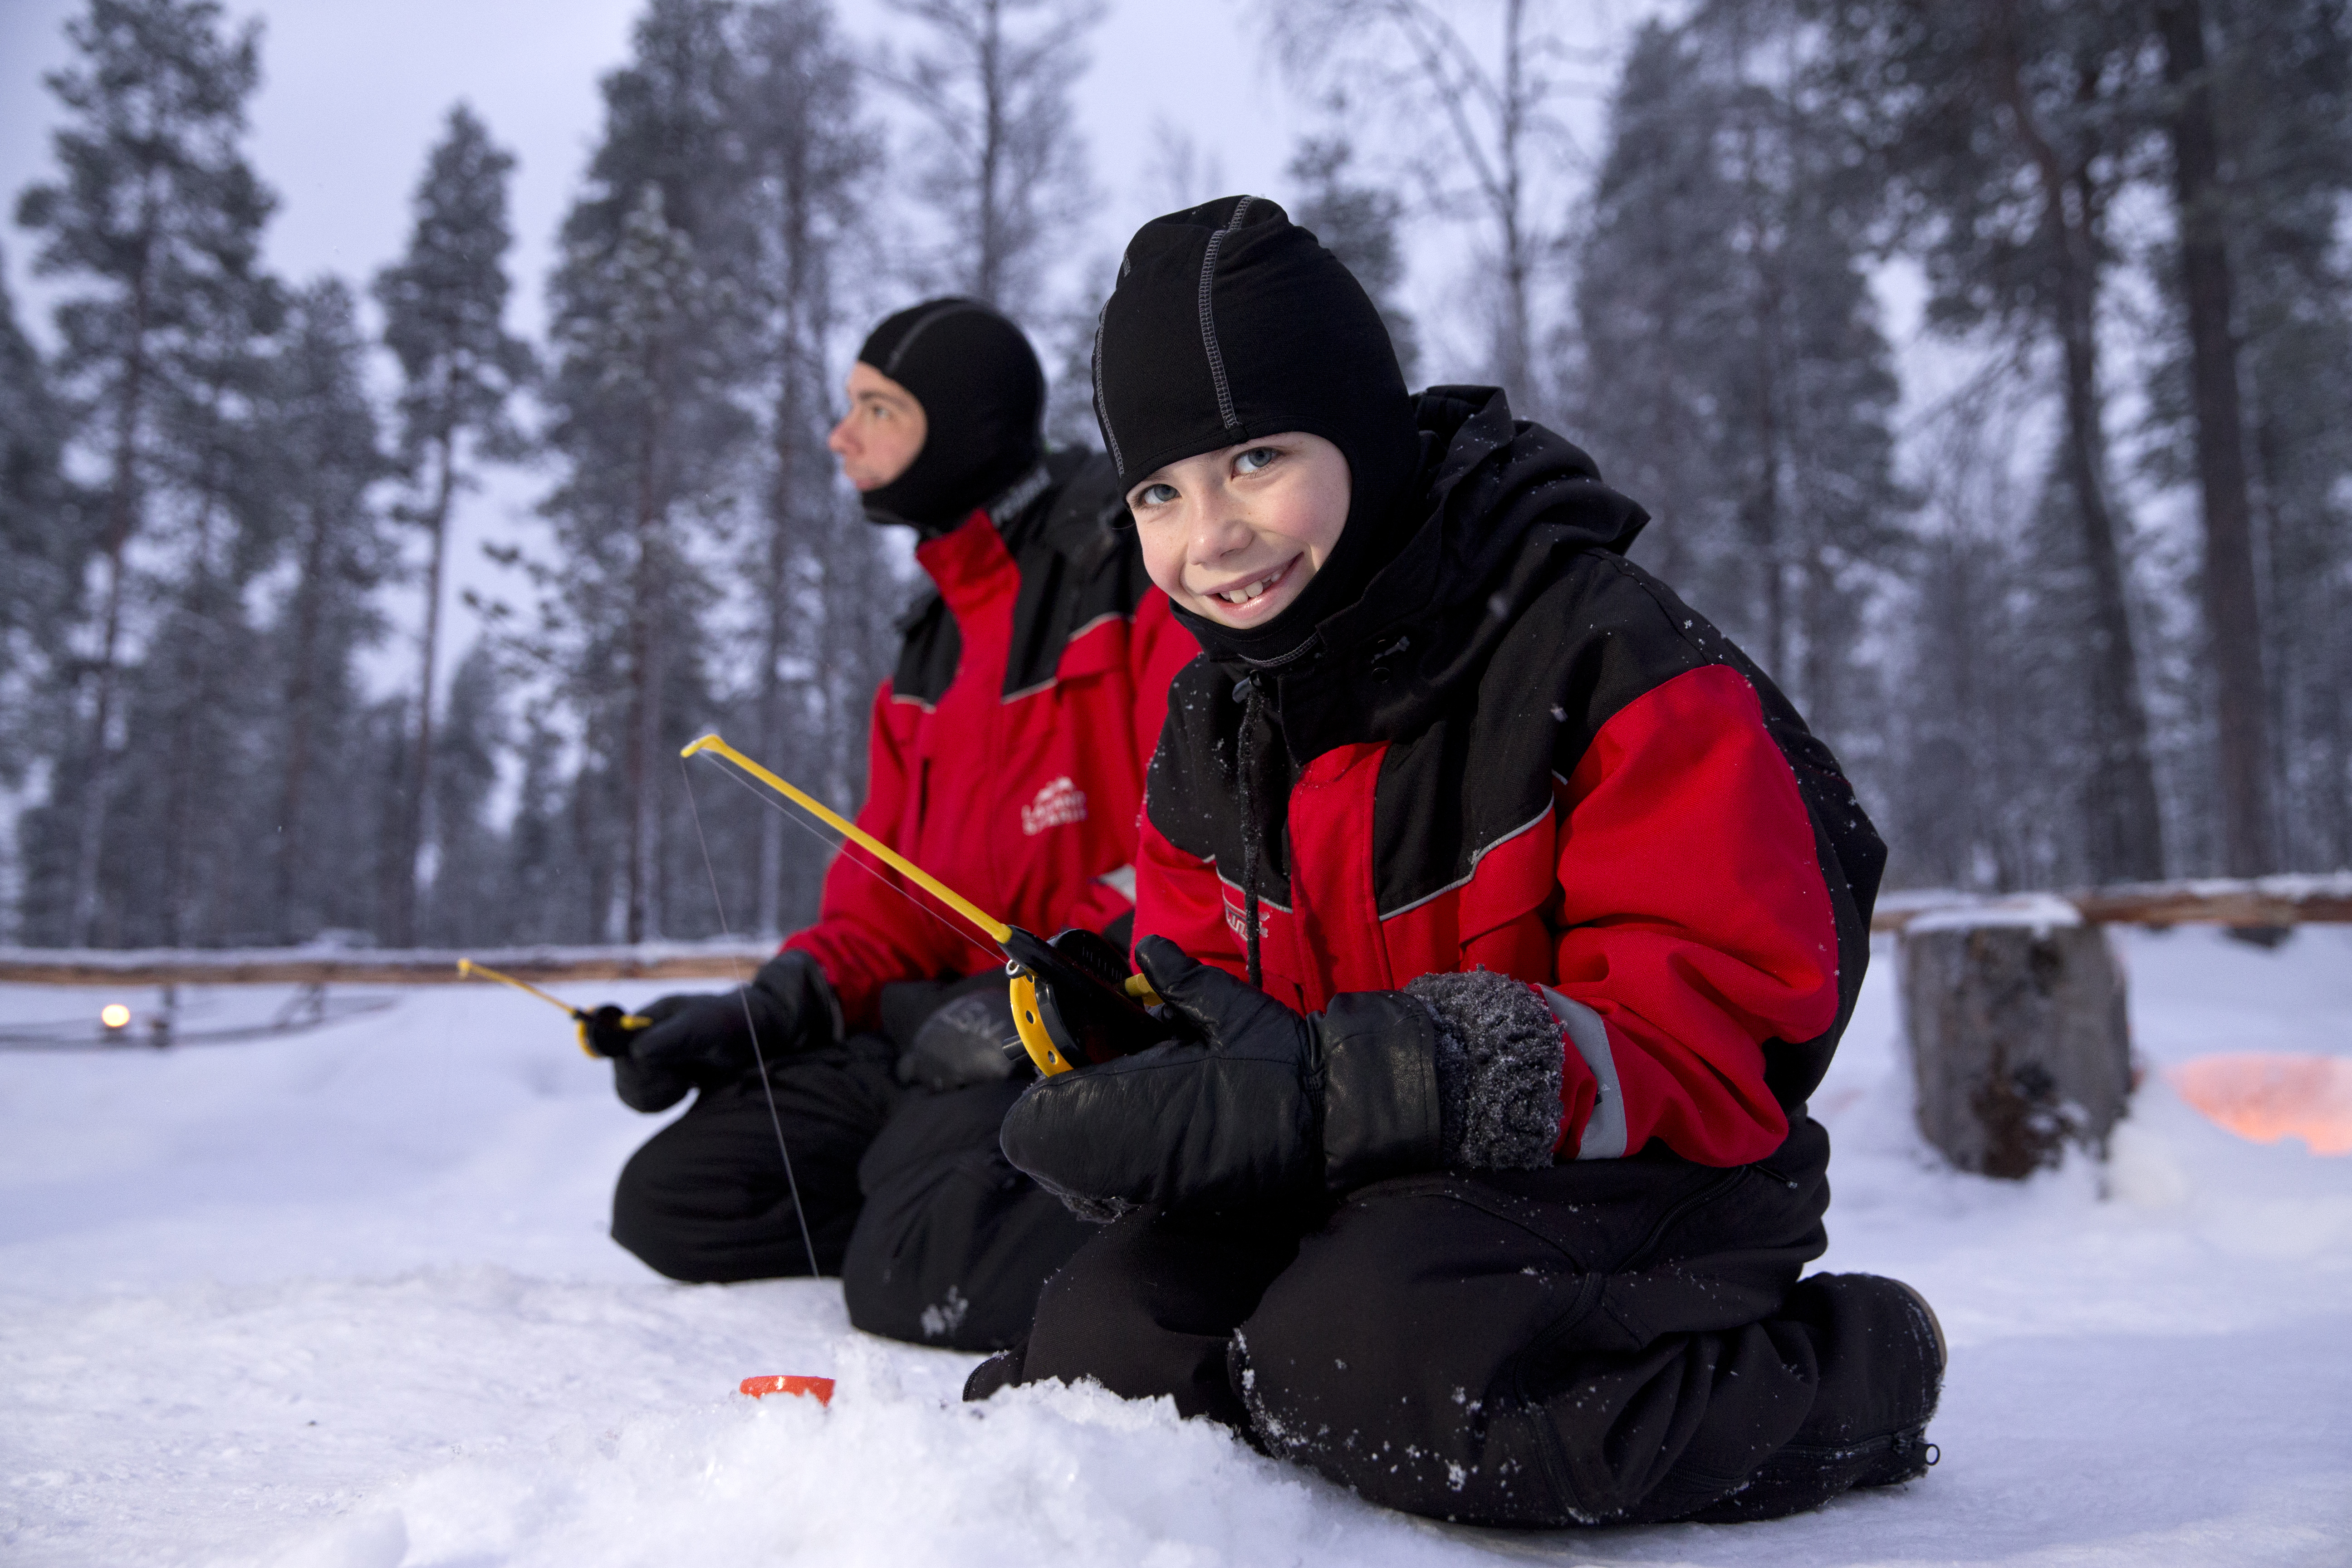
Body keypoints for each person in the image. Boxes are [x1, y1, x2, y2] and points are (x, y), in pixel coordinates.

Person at [971, 198, 1944, 1528]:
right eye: (1160, 490)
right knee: (1108, 1339)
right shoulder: (1218, 718)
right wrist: (1150, 1072)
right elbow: (1211, 983)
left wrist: (1360, 1083)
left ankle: (1846, 1377)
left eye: (1256, 459)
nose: (1211, 537)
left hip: (1651, 1180)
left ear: (1361, 435)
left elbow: (1717, 1034)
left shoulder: (1597, 649)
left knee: (1368, 1368)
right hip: (1373, 1189)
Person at [599, 298, 1196, 1352]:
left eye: (877, 408)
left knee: (910, 1264)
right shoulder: (932, 642)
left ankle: (992, 1210)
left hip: (1070, 1039)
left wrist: (1047, 989)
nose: (843, 435)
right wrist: (765, 1011)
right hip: (924, 1039)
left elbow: (1193, 850)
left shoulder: (1122, 574)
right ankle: (938, 1195)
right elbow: (884, 911)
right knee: (677, 1199)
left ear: (964, 424)